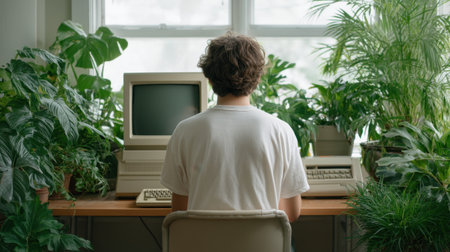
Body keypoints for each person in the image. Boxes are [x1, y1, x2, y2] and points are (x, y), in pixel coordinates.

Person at [160, 32, 309, 223]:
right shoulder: (281, 131)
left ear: (210, 78)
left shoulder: (185, 131)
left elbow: (180, 211)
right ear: (257, 79)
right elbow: (291, 212)